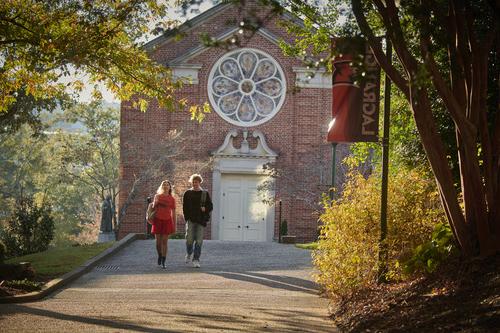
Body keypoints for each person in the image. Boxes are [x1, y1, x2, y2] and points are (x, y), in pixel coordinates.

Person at [183, 174, 213, 268]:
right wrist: (186, 218)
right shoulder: (187, 193)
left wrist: (205, 209)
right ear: (191, 182)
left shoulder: (204, 193)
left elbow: (210, 206)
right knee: (189, 239)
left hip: (201, 220)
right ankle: (189, 253)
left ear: (199, 182)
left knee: (199, 241)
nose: (194, 183)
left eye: (196, 182)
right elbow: (184, 207)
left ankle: (196, 259)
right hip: (191, 220)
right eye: (193, 182)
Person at [151, 180, 176, 269]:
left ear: (170, 187)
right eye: (164, 185)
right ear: (162, 187)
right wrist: (155, 202)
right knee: (158, 243)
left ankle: (164, 261)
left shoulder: (172, 199)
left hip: (167, 220)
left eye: (167, 185)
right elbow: (153, 207)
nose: (165, 186)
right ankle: (160, 255)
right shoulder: (157, 196)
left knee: (165, 242)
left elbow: (173, 212)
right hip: (157, 220)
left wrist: (174, 225)